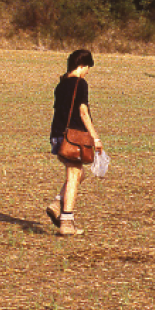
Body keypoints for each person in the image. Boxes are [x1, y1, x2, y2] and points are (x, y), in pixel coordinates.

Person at [47, 49, 104, 236]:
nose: (88, 72)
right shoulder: (80, 84)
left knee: (79, 175)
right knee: (74, 176)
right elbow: (83, 112)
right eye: (88, 68)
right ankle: (66, 222)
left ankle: (57, 203)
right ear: (83, 66)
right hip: (71, 137)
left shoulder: (61, 84)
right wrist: (95, 137)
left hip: (57, 135)